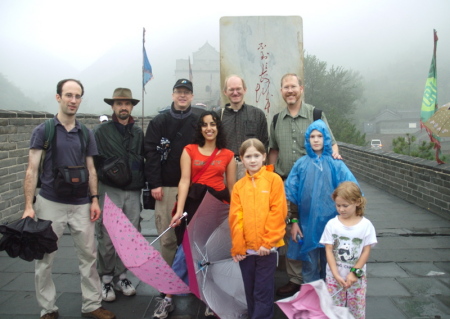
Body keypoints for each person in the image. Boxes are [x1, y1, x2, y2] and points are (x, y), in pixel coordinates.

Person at [21, 79, 115, 319]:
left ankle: (92, 304)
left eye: (78, 96)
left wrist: (94, 199)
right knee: (45, 259)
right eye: (69, 95)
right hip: (50, 202)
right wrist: (28, 206)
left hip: (82, 203)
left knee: (89, 257)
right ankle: (48, 309)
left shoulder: (86, 133)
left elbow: (92, 170)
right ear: (58, 97)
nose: (73, 100)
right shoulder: (44, 130)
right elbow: (31, 170)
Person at [269, 73, 342, 297]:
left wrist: (336, 157)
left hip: (314, 184)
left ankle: (322, 275)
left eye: (293, 86)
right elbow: (273, 151)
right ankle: (295, 278)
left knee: (314, 225)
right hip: (284, 182)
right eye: (285, 87)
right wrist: (272, 179)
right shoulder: (276, 119)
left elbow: (331, 143)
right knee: (288, 230)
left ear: (301, 88)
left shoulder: (315, 114)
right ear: (281, 91)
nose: (290, 91)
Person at [170, 110, 236, 317]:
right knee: (185, 250)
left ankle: (210, 297)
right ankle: (167, 295)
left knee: (212, 253)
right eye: (205, 124)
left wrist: (235, 216)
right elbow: (184, 181)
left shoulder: (227, 154)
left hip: (216, 207)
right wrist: (179, 211)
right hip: (194, 204)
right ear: (200, 128)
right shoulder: (189, 150)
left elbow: (232, 188)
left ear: (218, 128)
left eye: (213, 124)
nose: (209, 128)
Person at [144, 79, 198, 319]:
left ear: (191, 96)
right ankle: (167, 290)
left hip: (195, 188)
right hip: (165, 187)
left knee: (195, 239)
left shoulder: (199, 120)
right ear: (173, 94)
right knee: (167, 239)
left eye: (187, 92)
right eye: (179, 92)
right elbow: (150, 153)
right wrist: (154, 183)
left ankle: (196, 285)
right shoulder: (159, 121)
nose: (183, 96)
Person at [285, 119, 359, 284]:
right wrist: (293, 222)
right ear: (307, 139)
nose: (316, 140)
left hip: (332, 225)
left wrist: (348, 220)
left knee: (331, 266)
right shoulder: (301, 165)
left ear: (326, 139)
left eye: (320, 136)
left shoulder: (335, 164)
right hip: (307, 226)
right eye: (312, 136)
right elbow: (291, 197)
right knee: (309, 267)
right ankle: (312, 302)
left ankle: (330, 301)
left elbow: (352, 190)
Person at [93, 88, 145, 302]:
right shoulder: (101, 132)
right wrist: (93, 194)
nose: (123, 107)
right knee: (107, 236)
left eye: (127, 103)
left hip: (133, 190)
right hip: (110, 188)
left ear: (131, 106)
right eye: (119, 103)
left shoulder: (138, 132)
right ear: (113, 106)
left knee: (129, 235)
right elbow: (93, 163)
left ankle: (122, 276)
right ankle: (105, 279)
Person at [229, 138, 287, 319]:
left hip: (266, 250)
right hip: (246, 251)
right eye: (248, 156)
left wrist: (268, 243)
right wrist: (238, 247)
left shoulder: (274, 180)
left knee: (263, 290)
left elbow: (278, 212)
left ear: (264, 157)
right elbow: (235, 218)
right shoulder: (239, 186)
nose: (252, 160)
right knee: (251, 290)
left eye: (256, 155)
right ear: (241, 159)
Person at [320, 181, 377, 319]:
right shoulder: (332, 224)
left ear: (357, 202)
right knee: (333, 311)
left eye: (345, 205)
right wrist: (335, 274)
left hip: (357, 278)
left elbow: (365, 251)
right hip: (334, 278)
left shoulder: (366, 225)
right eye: (338, 205)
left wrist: (354, 273)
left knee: (356, 311)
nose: (341, 209)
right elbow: (328, 250)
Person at [221, 75, 269, 179]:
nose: (235, 92)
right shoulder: (218, 117)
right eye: (231, 89)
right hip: (225, 168)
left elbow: (264, 143)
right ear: (225, 92)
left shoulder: (257, 114)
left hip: (251, 167)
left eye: (238, 89)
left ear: (245, 90)